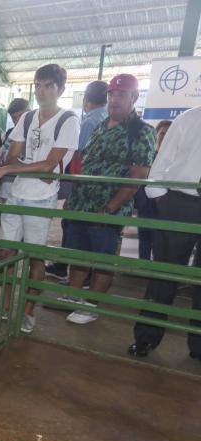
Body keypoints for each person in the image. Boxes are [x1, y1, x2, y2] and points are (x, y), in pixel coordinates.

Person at [0, 64, 80, 334]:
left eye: (48, 85)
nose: (41, 91)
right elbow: (13, 156)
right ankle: (4, 306)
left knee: (36, 258)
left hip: (42, 198)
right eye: (38, 85)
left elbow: (51, 165)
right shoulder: (27, 118)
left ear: (60, 89)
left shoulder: (68, 120)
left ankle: (28, 312)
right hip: (17, 193)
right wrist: (30, 168)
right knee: (6, 252)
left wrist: (11, 169)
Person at [58, 75, 156, 325]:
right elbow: (85, 164)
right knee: (77, 253)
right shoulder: (100, 126)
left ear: (134, 98)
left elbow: (138, 176)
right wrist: (72, 197)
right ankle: (72, 295)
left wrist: (110, 207)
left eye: (121, 95)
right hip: (82, 203)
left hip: (109, 208)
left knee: (103, 258)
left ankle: (90, 305)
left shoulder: (142, 132)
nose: (114, 100)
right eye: (111, 94)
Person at [130, 106, 201, 359]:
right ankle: (146, 337)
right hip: (181, 202)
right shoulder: (189, 119)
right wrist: (163, 202)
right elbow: (162, 162)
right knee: (164, 274)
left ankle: (199, 346)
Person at [46, 80, 109, 281]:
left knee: (72, 224)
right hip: (98, 185)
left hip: (83, 183)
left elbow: (78, 153)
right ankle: (78, 270)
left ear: (86, 99)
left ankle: (66, 267)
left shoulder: (89, 121)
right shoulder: (107, 118)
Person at [135, 119, 172, 260]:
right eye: (162, 133)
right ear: (156, 134)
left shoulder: (177, 159)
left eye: (169, 134)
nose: (165, 137)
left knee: (162, 242)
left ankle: (157, 273)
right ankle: (143, 269)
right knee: (144, 239)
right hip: (147, 205)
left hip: (168, 208)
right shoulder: (148, 155)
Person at [0, 98, 30, 202]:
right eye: (14, 118)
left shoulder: (37, 134)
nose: (18, 121)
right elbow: (0, 159)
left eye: (22, 116)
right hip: (5, 189)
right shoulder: (9, 134)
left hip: (28, 191)